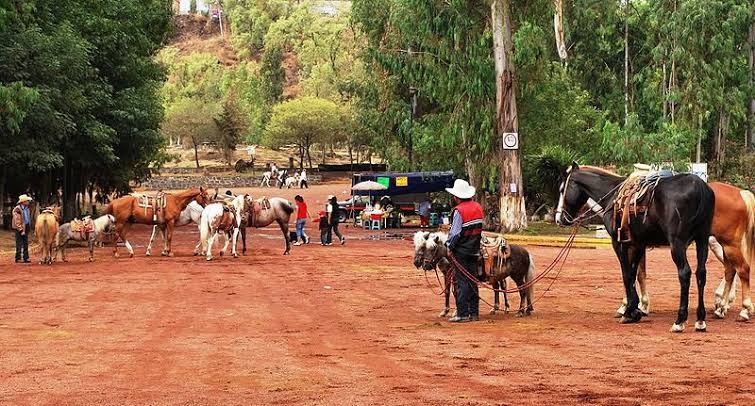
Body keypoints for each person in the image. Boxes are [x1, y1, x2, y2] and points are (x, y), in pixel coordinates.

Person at [445, 179, 483, 322]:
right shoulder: (478, 207)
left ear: (456, 197)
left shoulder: (459, 211)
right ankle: (474, 313)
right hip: (474, 250)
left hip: (461, 251)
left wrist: (449, 246)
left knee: (462, 282)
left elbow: (455, 233)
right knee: (473, 280)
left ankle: (462, 313)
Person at [12, 194, 33, 263]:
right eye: (27, 201)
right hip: (20, 228)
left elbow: (27, 219)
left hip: (25, 227)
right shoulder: (17, 209)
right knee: (19, 243)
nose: (28, 202)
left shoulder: (27, 208)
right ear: (23, 202)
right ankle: (18, 258)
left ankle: (26, 257)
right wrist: (21, 230)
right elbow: (17, 220)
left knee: (25, 243)